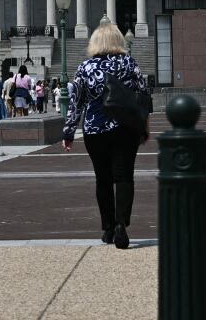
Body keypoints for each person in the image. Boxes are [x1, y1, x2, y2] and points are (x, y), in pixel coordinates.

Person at [61, 21, 152, 248]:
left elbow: (76, 103)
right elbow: (143, 97)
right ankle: (122, 224)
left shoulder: (85, 67)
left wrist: (69, 132)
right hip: (125, 128)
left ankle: (108, 228)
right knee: (124, 177)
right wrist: (145, 127)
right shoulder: (129, 63)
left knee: (102, 179)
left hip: (95, 129)